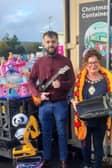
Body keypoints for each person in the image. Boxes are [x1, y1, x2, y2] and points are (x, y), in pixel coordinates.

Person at [28, 31, 75, 168]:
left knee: (61, 132)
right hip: (44, 104)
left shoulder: (65, 61)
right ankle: (47, 157)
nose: (51, 44)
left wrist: (62, 85)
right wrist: (37, 94)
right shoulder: (39, 62)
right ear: (44, 43)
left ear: (57, 42)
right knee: (46, 132)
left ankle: (63, 159)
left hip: (60, 103)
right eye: (48, 42)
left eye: (53, 41)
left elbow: (72, 81)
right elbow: (30, 81)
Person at [71, 48, 112, 168]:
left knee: (98, 146)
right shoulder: (80, 79)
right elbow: (71, 94)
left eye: (95, 62)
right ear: (86, 64)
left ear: (99, 62)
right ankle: (86, 165)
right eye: (90, 63)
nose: (93, 65)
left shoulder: (106, 80)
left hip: (100, 120)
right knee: (85, 146)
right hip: (84, 120)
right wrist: (73, 101)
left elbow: (111, 97)